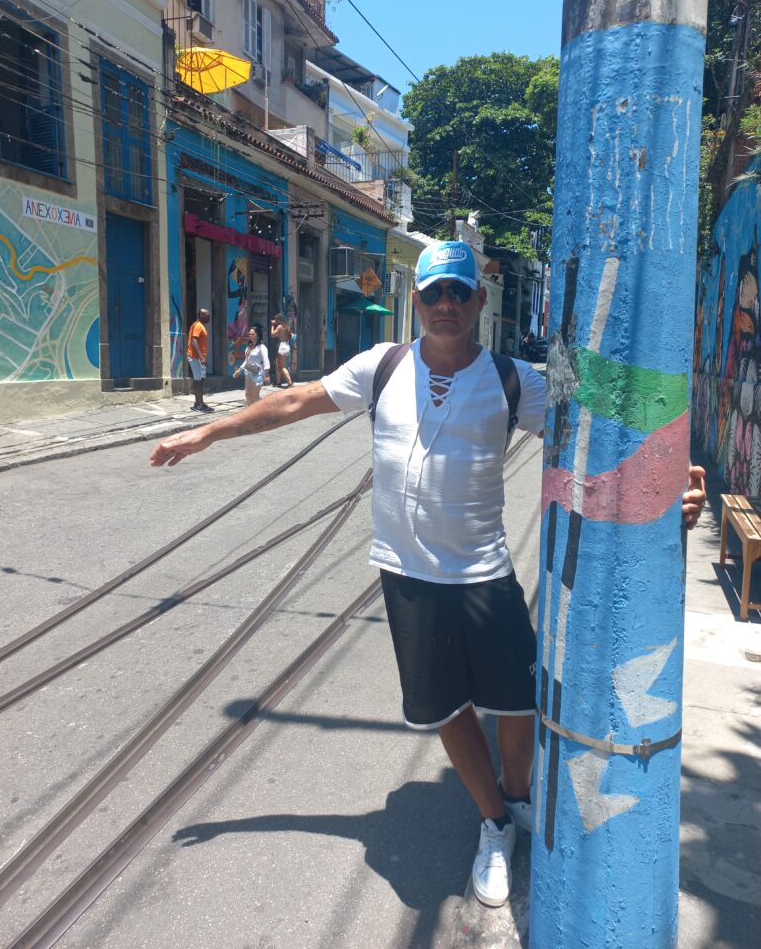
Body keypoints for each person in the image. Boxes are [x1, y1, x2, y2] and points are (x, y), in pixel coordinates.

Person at [151, 241, 706, 909]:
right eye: (433, 293)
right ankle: (494, 824)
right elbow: (295, 400)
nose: (445, 304)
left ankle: (518, 796)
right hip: (407, 578)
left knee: (517, 703)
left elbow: (593, 434)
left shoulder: (512, 380)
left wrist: (669, 486)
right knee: (443, 708)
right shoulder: (380, 367)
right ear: (415, 301)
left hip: (483, 575)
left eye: (458, 293)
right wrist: (208, 434)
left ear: (477, 302)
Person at [233, 325, 270, 406]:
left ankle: (265, 408)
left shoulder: (262, 347)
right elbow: (247, 360)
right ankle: (250, 413)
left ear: (258, 335)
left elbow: (266, 361)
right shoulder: (249, 347)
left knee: (255, 397)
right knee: (247, 394)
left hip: (258, 374)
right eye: (249, 334)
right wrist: (240, 370)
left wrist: (267, 375)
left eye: (252, 334)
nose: (250, 336)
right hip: (248, 372)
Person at [186, 309, 213, 413]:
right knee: (198, 381)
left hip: (198, 358)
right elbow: (194, 340)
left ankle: (199, 402)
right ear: (201, 316)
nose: (209, 318)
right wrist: (201, 357)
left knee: (201, 380)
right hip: (195, 357)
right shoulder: (198, 326)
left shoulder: (200, 325)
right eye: (207, 316)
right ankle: (199, 405)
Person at [270, 313, 294, 388]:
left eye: (276, 320)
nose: (275, 321)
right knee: (278, 365)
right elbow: (281, 335)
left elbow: (272, 335)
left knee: (282, 366)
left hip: (282, 347)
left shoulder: (280, 326)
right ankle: (278, 382)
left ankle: (290, 382)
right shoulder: (286, 326)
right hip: (286, 346)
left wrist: (272, 326)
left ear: (279, 320)